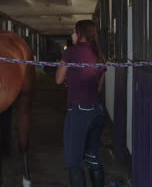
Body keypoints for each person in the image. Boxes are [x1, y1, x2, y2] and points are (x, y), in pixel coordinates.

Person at [55, 20, 106, 187]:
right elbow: (98, 87)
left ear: (81, 34)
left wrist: (69, 76)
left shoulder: (71, 52)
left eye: (74, 32)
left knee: (74, 162)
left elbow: (58, 79)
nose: (72, 35)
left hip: (79, 112)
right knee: (93, 158)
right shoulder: (99, 56)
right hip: (97, 111)